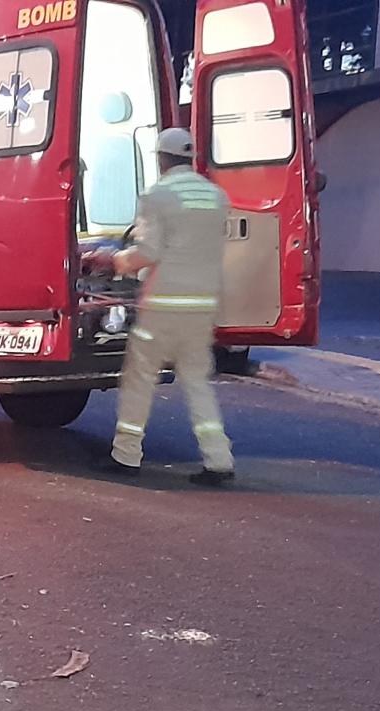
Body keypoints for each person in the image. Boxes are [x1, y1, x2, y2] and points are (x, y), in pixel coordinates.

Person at [95, 127, 236, 487]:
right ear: (189, 158)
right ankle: (218, 459)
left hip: (163, 305)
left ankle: (126, 455)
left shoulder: (158, 196)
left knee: (140, 377)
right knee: (196, 381)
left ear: (161, 158)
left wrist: (114, 261)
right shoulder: (216, 197)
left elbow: (149, 253)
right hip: (203, 304)